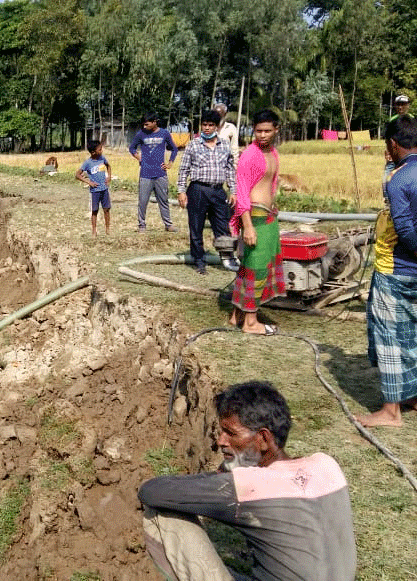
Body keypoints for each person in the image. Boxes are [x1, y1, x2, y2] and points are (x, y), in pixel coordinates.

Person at [139, 380, 356, 581]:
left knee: (160, 515)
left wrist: (219, 477)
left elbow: (151, 492)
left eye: (230, 433)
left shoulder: (250, 484)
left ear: (262, 439)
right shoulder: (327, 465)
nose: (221, 440)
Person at [358, 115, 417, 428]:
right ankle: (414, 396)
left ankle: (391, 411)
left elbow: (406, 231)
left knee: (390, 337)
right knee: (414, 334)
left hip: (396, 269)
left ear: (393, 144)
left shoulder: (400, 179)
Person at [228, 110, 286, 335]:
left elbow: (270, 183)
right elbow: (242, 192)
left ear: (276, 130)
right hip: (255, 218)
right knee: (257, 269)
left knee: (248, 268)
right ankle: (251, 323)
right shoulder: (250, 155)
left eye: (267, 131)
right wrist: (248, 225)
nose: (262, 135)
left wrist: (273, 204)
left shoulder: (273, 153)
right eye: (258, 131)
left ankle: (237, 315)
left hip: (268, 216)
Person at [177, 109, 238, 275]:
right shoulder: (193, 145)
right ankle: (199, 261)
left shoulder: (225, 145)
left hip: (218, 191)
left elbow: (230, 169)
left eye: (211, 125)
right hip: (197, 190)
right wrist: (181, 191)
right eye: (204, 124)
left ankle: (227, 259)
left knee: (222, 226)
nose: (207, 128)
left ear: (217, 127)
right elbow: (183, 170)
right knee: (196, 227)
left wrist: (233, 190)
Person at [129, 113, 179, 233]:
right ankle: (142, 225)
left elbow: (174, 148)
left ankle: (168, 225)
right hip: (145, 173)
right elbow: (132, 148)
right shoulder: (141, 134)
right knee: (143, 200)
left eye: (147, 124)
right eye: (143, 124)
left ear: (154, 122)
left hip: (160, 173)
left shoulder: (164, 133)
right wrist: (139, 157)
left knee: (163, 200)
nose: (145, 126)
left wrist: (170, 163)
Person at [76, 140, 112, 236]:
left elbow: (108, 166)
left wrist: (109, 177)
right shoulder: (87, 163)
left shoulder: (102, 159)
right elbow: (78, 175)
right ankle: (94, 230)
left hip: (104, 189)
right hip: (95, 191)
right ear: (93, 152)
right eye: (100, 149)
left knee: (106, 209)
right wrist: (89, 182)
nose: (102, 151)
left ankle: (107, 229)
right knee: (94, 211)